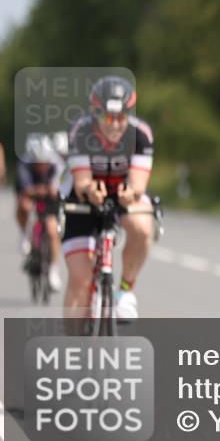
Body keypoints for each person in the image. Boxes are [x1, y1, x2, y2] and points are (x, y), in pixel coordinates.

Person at [61, 76, 155, 320]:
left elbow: (138, 182)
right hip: (83, 197)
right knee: (80, 280)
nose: (114, 125)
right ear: (95, 113)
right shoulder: (81, 131)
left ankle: (125, 291)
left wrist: (131, 193)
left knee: (144, 227)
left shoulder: (140, 134)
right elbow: (82, 181)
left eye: (121, 117)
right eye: (107, 118)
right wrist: (90, 190)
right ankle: (73, 348)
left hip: (122, 193)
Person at [15, 135, 66, 291]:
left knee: (52, 230)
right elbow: (26, 190)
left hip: (50, 197)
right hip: (31, 193)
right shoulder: (24, 163)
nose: (41, 166)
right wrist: (37, 191)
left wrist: (52, 189)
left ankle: (53, 271)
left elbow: (57, 187)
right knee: (23, 206)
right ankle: (25, 234)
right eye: (37, 163)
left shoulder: (56, 163)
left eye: (44, 163)